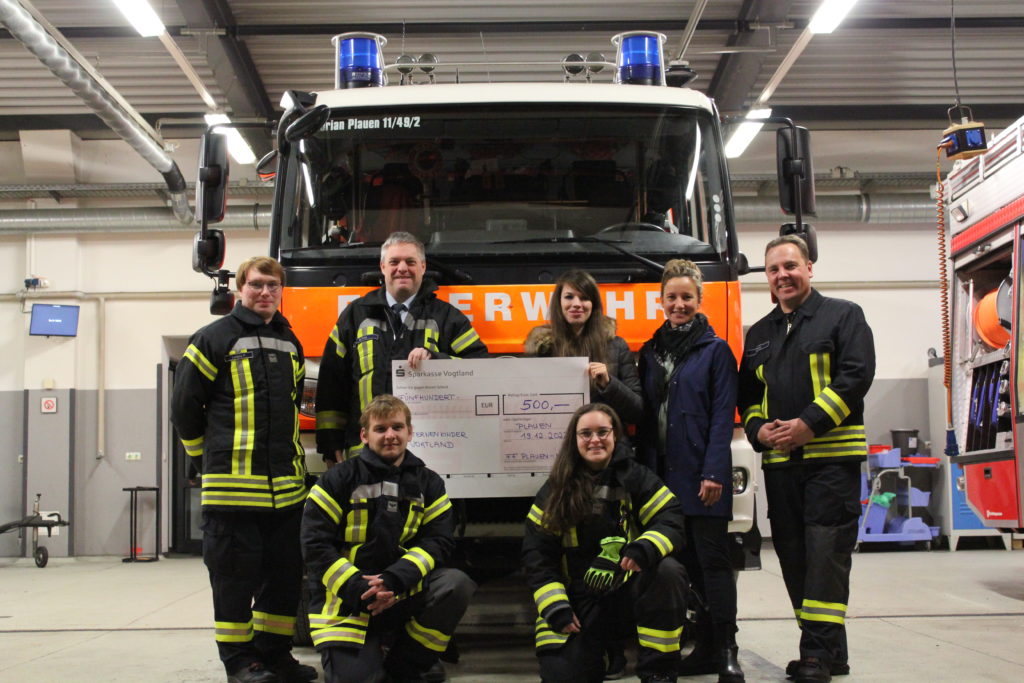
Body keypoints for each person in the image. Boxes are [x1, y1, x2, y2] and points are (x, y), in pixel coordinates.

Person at [171, 256, 316, 683]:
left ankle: (275, 655)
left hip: (287, 494)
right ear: (240, 288)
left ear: (281, 291)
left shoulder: (291, 342)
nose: (265, 292)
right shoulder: (212, 338)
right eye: (256, 285)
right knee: (234, 582)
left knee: (283, 580)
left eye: (273, 285)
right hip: (232, 494)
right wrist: (205, 459)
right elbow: (183, 410)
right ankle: (240, 662)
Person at [737, 235, 875, 683]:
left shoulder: (844, 316)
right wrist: (759, 430)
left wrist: (808, 425)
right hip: (780, 466)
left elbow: (855, 376)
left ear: (810, 268)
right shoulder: (758, 335)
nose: (783, 275)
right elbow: (750, 396)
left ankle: (814, 654)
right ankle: (830, 651)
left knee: (825, 557)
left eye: (791, 266)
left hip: (831, 463)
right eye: (774, 269)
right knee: (795, 559)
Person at [301, 394, 476, 683]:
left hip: (401, 591)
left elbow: (438, 541)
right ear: (364, 435)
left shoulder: (429, 483)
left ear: (410, 432)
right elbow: (314, 545)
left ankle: (406, 660)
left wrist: (394, 581)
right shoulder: (337, 479)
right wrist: (359, 588)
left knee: (456, 584)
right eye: (380, 429)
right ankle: (371, 660)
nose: (390, 435)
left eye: (397, 427)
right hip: (347, 601)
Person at [522, 403, 688, 683]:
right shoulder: (555, 490)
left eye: (602, 431)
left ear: (615, 435)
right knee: (563, 677)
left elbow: (671, 518)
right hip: (579, 599)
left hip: (626, 590)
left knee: (668, 572)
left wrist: (644, 548)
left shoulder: (636, 477)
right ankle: (604, 652)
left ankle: (658, 671)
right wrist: (556, 608)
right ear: (574, 441)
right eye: (585, 433)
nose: (595, 439)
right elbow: (537, 556)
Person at [637, 259, 743, 682]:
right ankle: (701, 648)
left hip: (703, 480)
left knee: (712, 565)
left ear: (700, 301)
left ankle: (728, 652)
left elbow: (722, 415)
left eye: (686, 297)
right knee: (680, 569)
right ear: (660, 301)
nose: (678, 304)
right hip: (661, 479)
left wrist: (714, 472)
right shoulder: (650, 351)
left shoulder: (715, 351)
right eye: (672, 297)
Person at [316, 231, 489, 464]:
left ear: (423, 267)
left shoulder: (447, 317)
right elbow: (332, 383)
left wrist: (436, 361)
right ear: (383, 267)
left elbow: (481, 368)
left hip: (430, 456)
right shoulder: (355, 315)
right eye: (394, 262)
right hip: (364, 454)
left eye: (410, 262)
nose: (402, 268)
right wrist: (330, 443)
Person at [525, 269, 642, 428]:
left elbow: (638, 412)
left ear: (593, 305)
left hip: (606, 447)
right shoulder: (540, 349)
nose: (576, 304)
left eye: (584, 298)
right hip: (555, 445)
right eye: (569, 297)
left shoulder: (617, 346)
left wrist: (609, 384)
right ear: (558, 303)